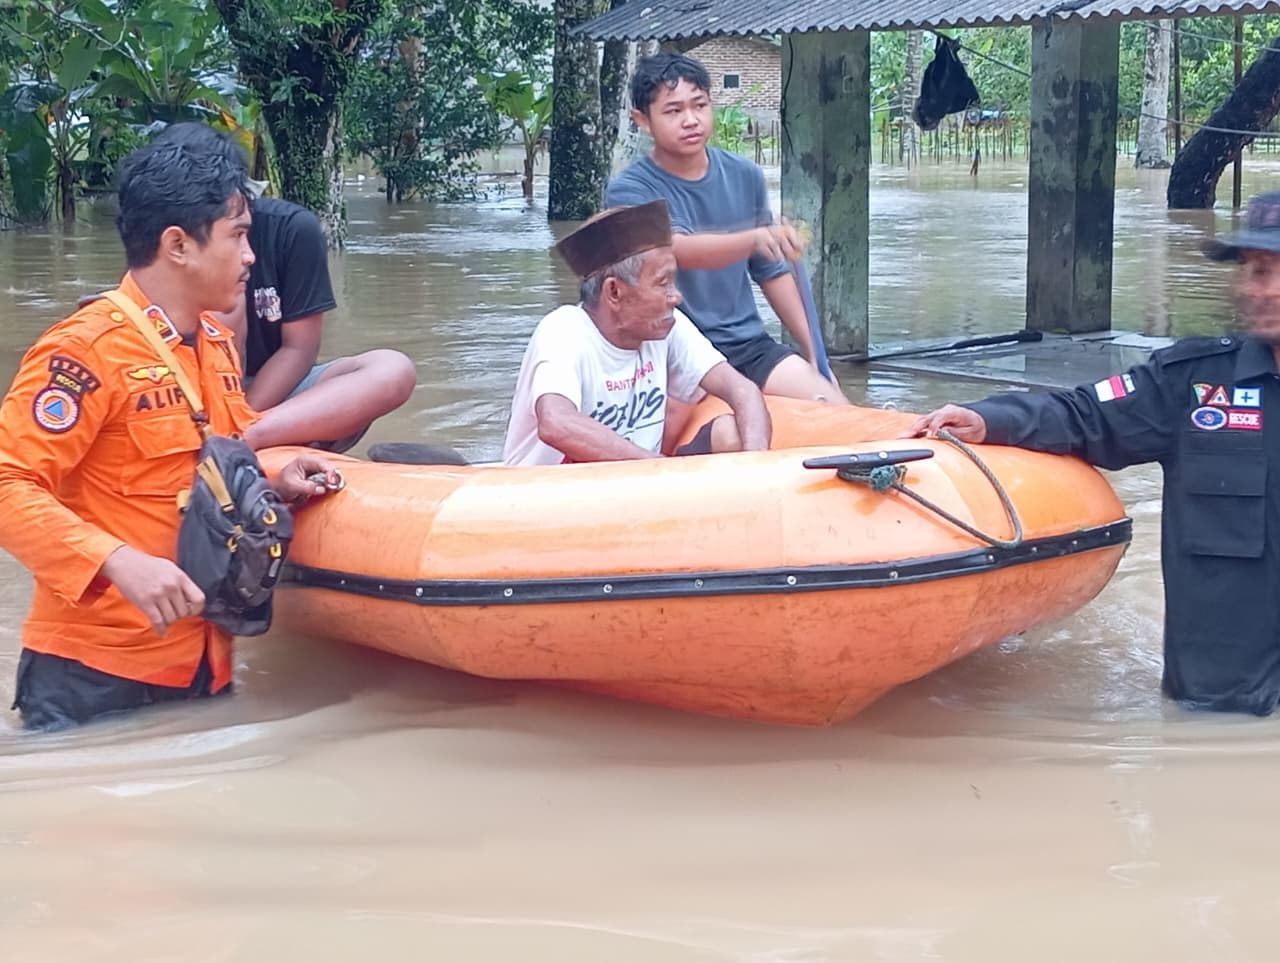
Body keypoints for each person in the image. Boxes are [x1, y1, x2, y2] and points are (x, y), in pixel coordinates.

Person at [0, 134, 343, 731]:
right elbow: (8, 484)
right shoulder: (85, 351)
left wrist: (274, 481)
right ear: (178, 245)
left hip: (203, 664)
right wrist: (117, 561)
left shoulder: (215, 346)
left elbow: (206, 472)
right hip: (92, 676)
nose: (250, 256)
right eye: (238, 235)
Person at [906, 189, 1280, 716]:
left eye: (1274, 271)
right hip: (1219, 703)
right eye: (1252, 270)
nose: (1258, 289)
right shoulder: (1191, 384)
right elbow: (1085, 415)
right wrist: (991, 419)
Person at [153, 123, 417, 452]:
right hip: (188, 391)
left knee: (391, 370)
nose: (246, 254)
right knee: (224, 313)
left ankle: (241, 440)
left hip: (271, 397)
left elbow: (299, 349)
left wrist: (244, 420)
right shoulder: (163, 239)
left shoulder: (291, 229)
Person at [605, 53, 847, 404]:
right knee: (732, 425)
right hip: (673, 349)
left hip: (747, 345)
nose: (691, 120)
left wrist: (815, 355)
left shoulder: (745, 174)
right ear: (642, 120)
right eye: (673, 111)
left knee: (833, 404)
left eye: (700, 105)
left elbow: (772, 272)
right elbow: (674, 249)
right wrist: (754, 239)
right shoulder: (628, 191)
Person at [503, 199, 771, 466]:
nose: (676, 297)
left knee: (730, 433)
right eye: (663, 283)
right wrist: (658, 468)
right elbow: (556, 422)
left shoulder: (667, 326)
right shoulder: (564, 330)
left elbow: (742, 389)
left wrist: (758, 465)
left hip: (643, 478)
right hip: (557, 487)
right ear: (614, 292)